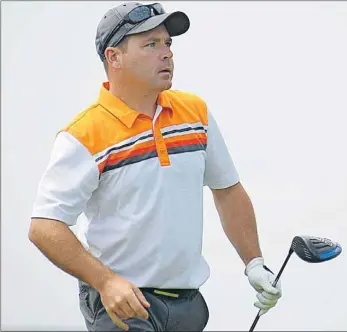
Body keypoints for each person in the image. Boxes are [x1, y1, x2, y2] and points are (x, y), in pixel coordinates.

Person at [28, 2, 282, 331]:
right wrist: (104, 282)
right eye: (151, 44)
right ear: (114, 58)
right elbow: (45, 227)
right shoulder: (83, 135)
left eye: (168, 43)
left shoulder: (195, 113)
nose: (167, 54)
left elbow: (227, 190)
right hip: (123, 305)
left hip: (189, 305)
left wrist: (254, 263)